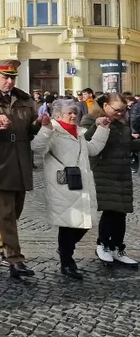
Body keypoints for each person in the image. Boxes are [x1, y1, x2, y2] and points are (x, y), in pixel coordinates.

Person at [0, 60, 47, 279]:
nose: (9, 81)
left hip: (21, 161)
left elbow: (30, 127)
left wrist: (39, 123)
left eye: (12, 77)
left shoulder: (24, 99)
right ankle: (14, 258)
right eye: (5, 77)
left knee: (15, 211)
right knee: (5, 213)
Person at [30, 99, 111, 279]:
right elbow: (37, 148)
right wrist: (45, 130)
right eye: (70, 113)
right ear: (58, 116)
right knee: (68, 225)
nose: (74, 116)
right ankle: (67, 261)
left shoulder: (79, 132)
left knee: (84, 224)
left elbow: (93, 149)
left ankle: (65, 251)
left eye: (75, 112)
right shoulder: (53, 131)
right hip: (63, 185)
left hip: (80, 183)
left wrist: (103, 130)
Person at [81, 93, 140, 266]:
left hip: (122, 173)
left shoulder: (122, 123)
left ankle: (117, 247)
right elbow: (84, 141)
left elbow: (127, 144)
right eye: (117, 110)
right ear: (105, 106)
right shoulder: (91, 118)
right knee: (110, 209)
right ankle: (103, 244)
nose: (121, 113)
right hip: (103, 172)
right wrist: (97, 126)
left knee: (121, 211)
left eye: (124, 110)